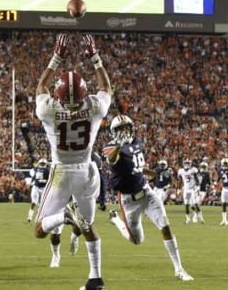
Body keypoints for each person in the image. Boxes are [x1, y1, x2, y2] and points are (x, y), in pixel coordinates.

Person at [33, 33, 111, 290]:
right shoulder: (94, 108)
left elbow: (40, 89)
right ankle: (95, 277)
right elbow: (106, 89)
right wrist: (95, 58)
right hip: (87, 172)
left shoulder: (48, 110)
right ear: (83, 92)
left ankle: (64, 217)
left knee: (40, 229)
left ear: (58, 93)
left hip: (61, 172)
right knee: (87, 225)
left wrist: (56, 58)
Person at [104, 115, 194, 281]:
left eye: (127, 128)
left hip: (147, 193)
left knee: (165, 226)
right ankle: (116, 220)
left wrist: (152, 173)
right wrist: (118, 145)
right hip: (128, 200)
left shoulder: (137, 142)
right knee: (137, 240)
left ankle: (179, 269)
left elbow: (135, 166)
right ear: (114, 132)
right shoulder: (111, 146)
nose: (125, 132)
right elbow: (112, 159)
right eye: (121, 129)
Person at [177, 159, 203, 224]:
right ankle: (187, 219)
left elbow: (196, 179)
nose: (187, 164)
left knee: (195, 204)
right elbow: (180, 181)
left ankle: (201, 218)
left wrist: (197, 187)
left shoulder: (193, 170)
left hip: (192, 189)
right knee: (186, 205)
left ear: (190, 164)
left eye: (188, 163)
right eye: (186, 163)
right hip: (186, 189)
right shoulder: (181, 171)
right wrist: (178, 188)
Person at [27, 158, 50, 223]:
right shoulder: (37, 169)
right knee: (33, 202)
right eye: (41, 163)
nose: (42, 165)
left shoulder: (48, 170)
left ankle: (39, 218)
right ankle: (29, 217)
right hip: (36, 187)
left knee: (42, 204)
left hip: (43, 188)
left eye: (43, 163)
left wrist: (43, 181)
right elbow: (34, 177)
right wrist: (31, 183)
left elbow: (49, 179)